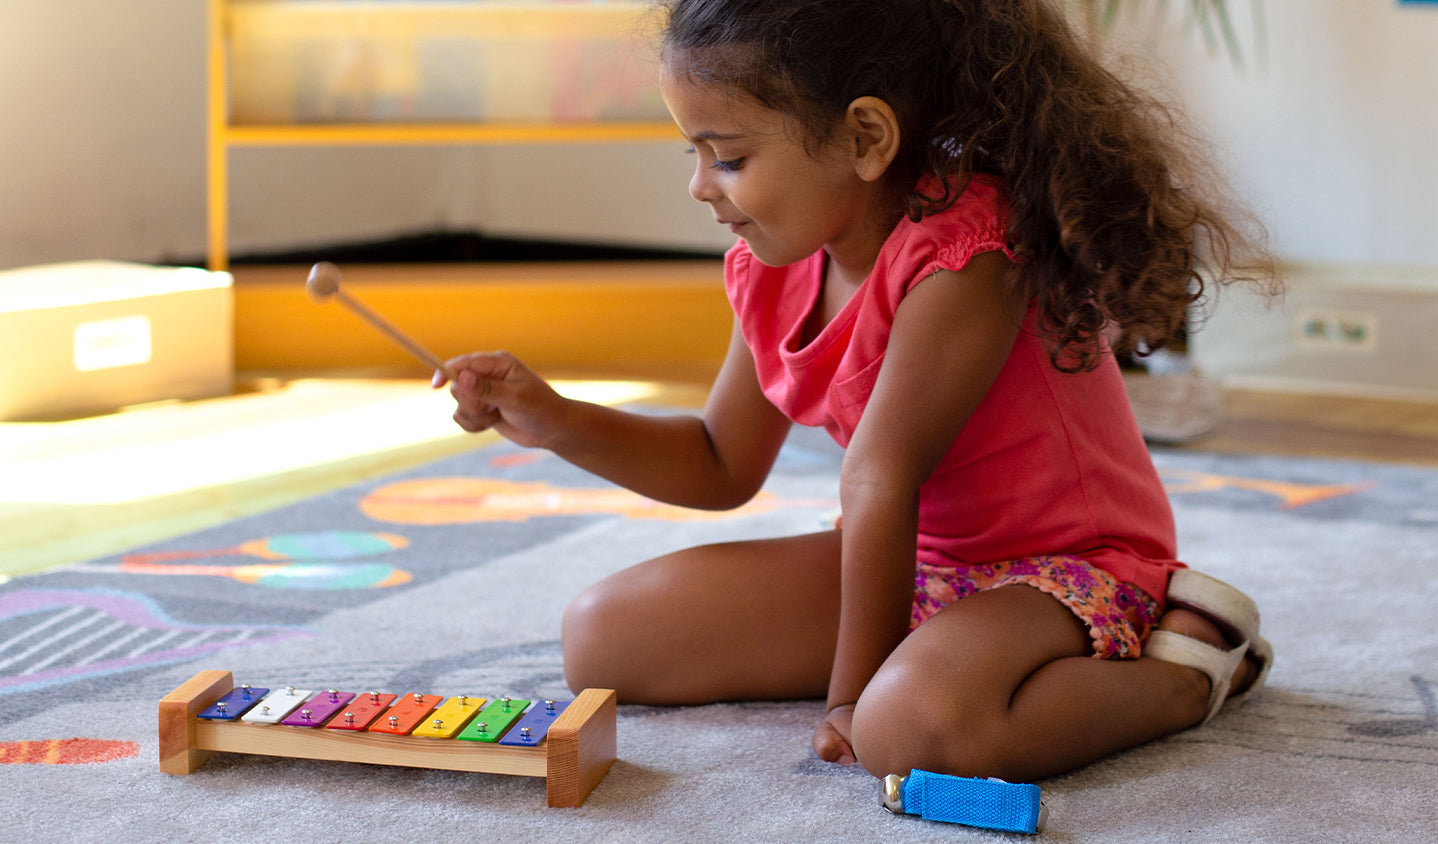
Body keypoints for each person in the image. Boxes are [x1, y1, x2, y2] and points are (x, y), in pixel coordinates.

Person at [436, 0, 1275, 783]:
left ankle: (1192, 670)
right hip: (914, 563)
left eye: (728, 156)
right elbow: (719, 462)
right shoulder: (774, 267)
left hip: (1069, 570)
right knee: (601, 638)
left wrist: (853, 695)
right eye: (692, 153)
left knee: (904, 732)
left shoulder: (971, 251)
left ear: (866, 138)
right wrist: (553, 420)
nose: (700, 185)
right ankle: (936, 658)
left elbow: (880, 474)